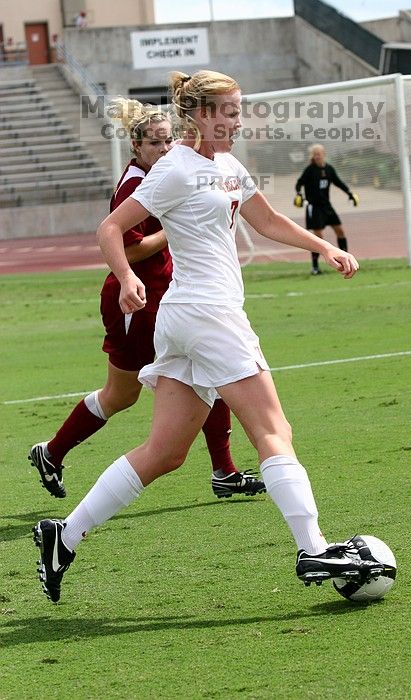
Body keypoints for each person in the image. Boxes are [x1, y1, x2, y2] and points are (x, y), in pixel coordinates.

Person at [33, 70, 384, 604]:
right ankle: (312, 546)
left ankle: (65, 535)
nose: (237, 120)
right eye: (227, 111)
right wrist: (127, 278)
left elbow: (265, 221)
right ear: (198, 114)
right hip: (208, 314)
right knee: (273, 429)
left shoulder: (226, 166)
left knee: (165, 452)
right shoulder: (174, 168)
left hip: (187, 318)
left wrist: (324, 246)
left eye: (240, 110)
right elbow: (110, 230)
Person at [28, 98, 264, 501]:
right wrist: (173, 231)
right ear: (136, 148)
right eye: (156, 143)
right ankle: (51, 451)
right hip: (133, 299)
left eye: (169, 140)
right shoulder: (135, 185)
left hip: (169, 297)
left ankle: (224, 470)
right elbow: (126, 245)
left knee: (212, 366)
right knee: (121, 395)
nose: (166, 148)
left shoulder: (170, 172)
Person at [294, 144, 359, 276]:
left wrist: (350, 193)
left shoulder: (329, 169)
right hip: (314, 207)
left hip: (327, 206)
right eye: (315, 154)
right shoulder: (310, 170)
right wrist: (299, 194)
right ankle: (315, 267)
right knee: (318, 238)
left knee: (340, 231)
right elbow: (299, 183)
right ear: (312, 156)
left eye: (319, 153)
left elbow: (338, 182)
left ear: (324, 154)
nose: (317, 156)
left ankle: (346, 261)